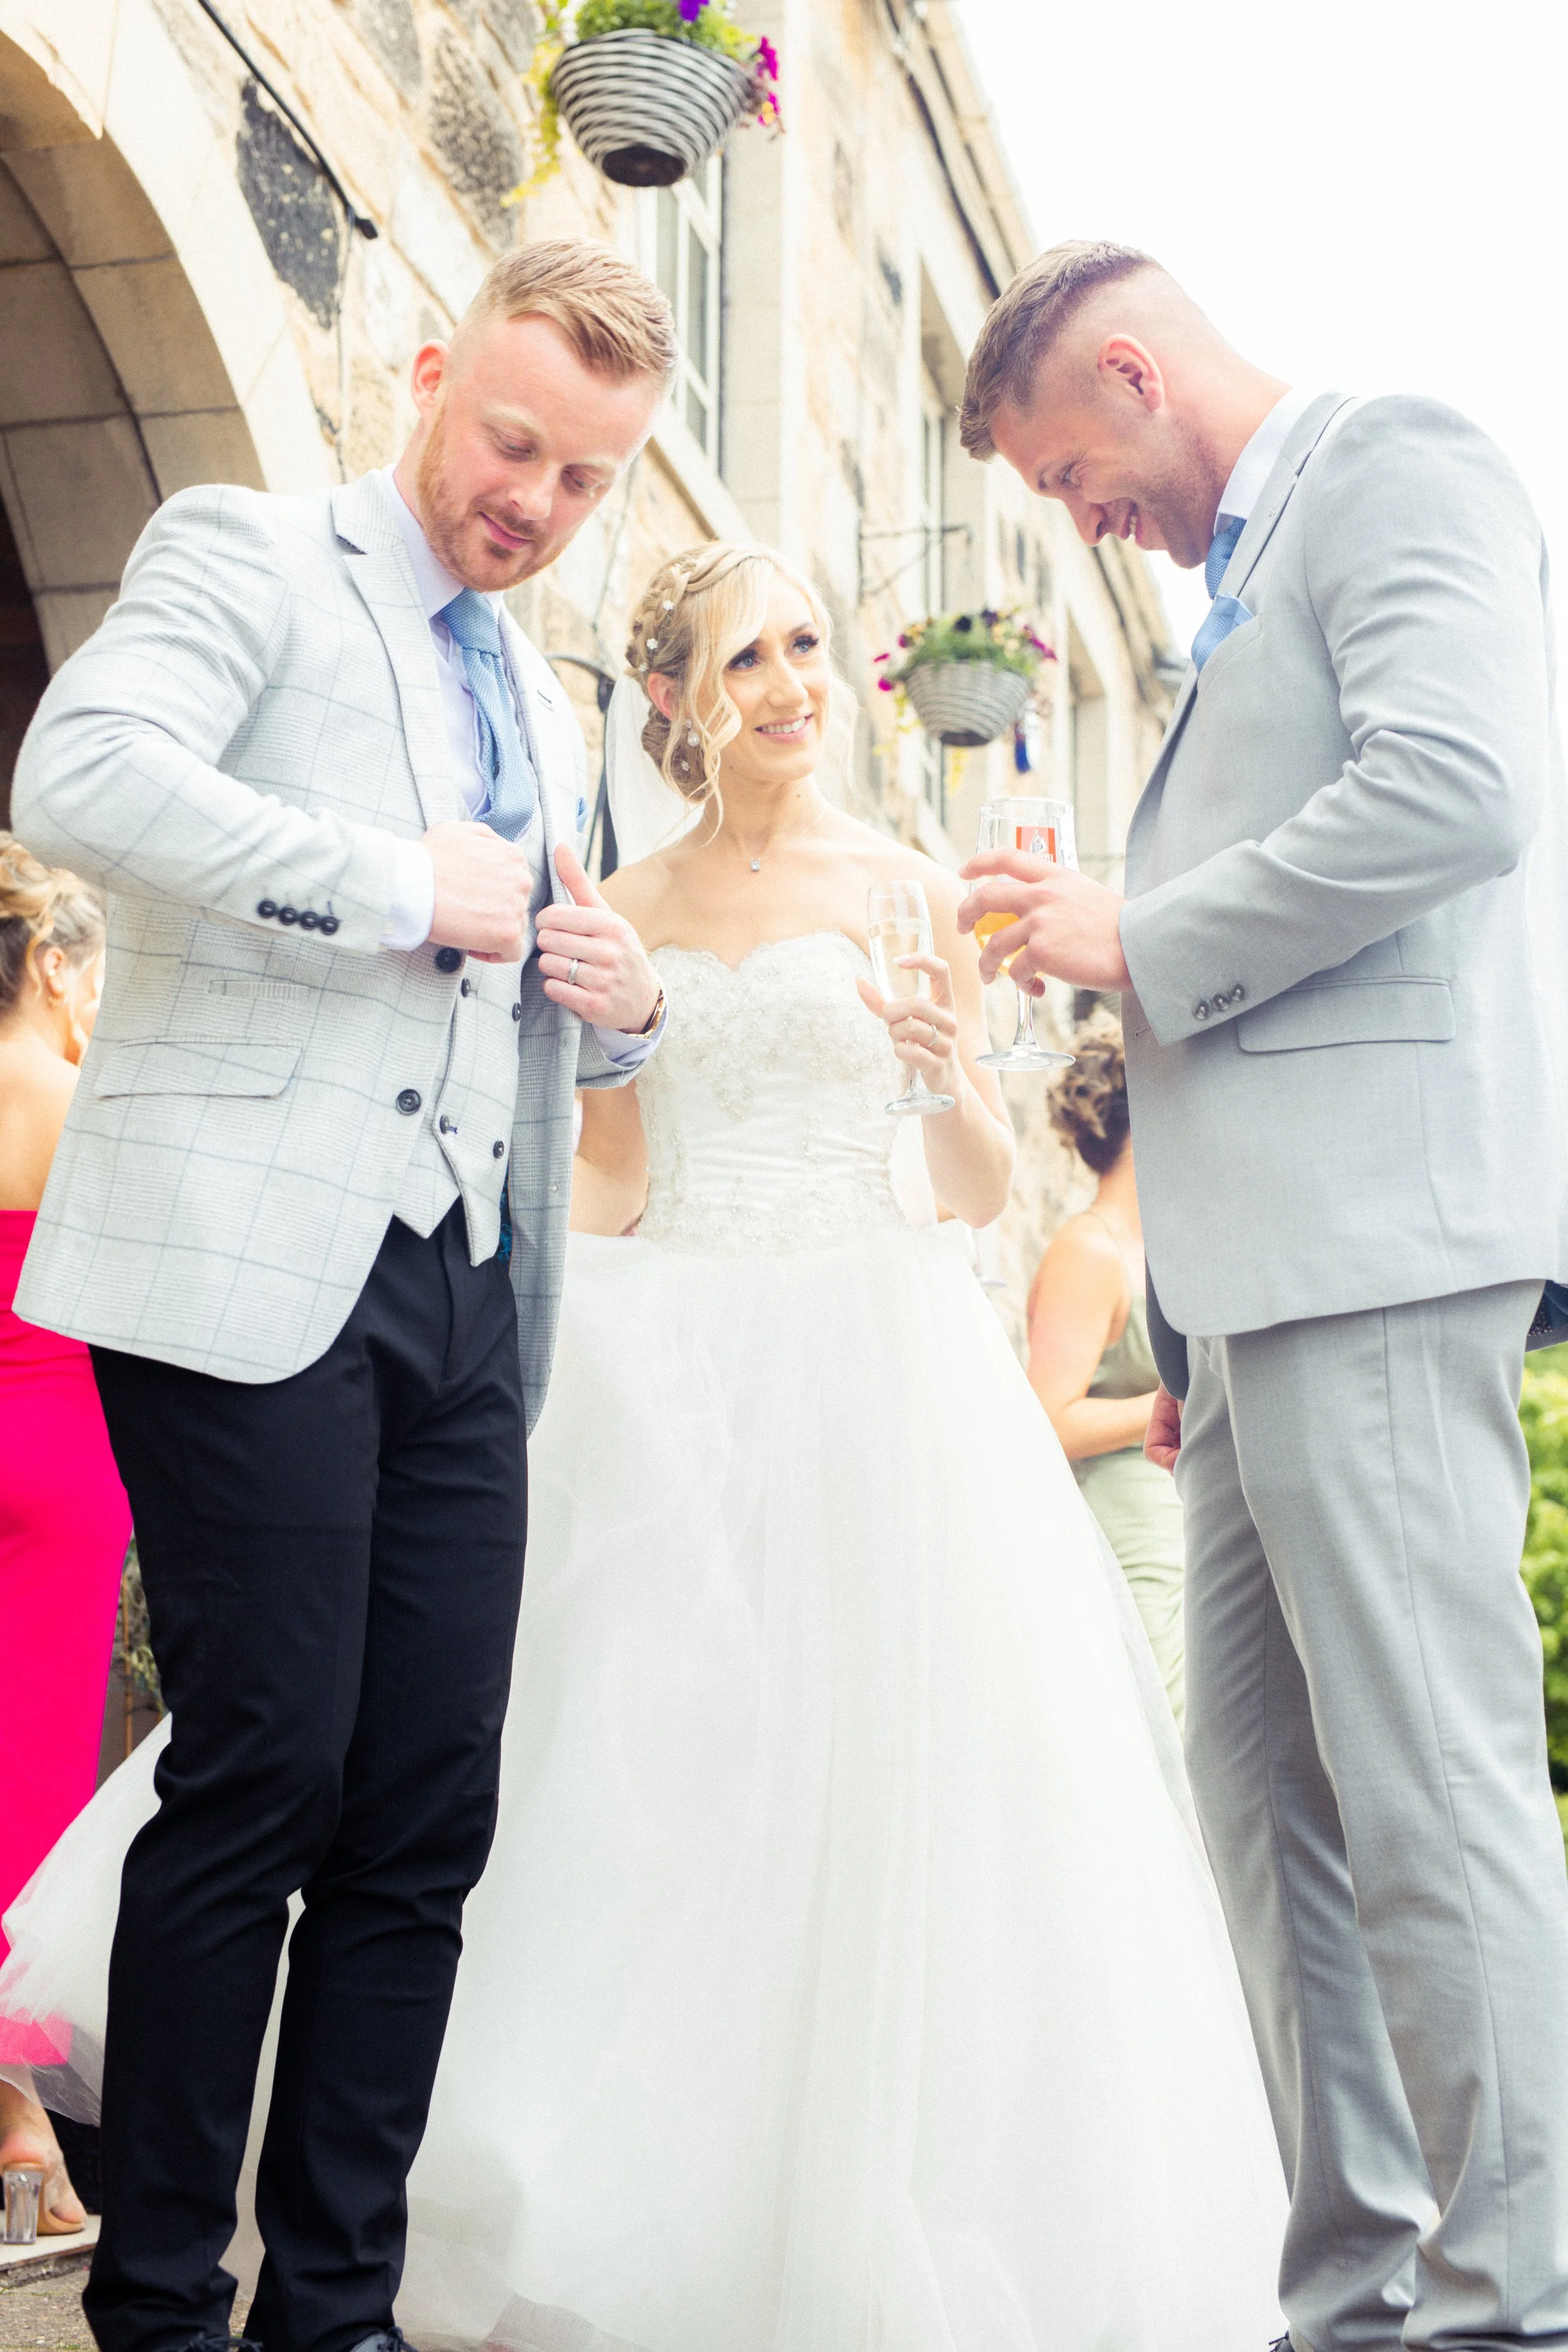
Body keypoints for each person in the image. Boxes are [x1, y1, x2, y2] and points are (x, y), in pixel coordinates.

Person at [3, 539, 1288, 2350]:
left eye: (806, 643)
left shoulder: (915, 890)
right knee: (633, 1776)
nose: (787, 680)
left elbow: (975, 1194)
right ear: (676, 696)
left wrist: (936, 1067)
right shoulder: (623, 900)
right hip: (669, 1354)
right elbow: (606, 1169)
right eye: (740, 653)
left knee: (879, 1792)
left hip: (878, 1370)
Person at [6, 240, 676, 2352]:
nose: (536, 503)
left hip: (474, 1285)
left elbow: (541, 980)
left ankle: (339, 2314)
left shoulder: (553, 702)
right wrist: (393, 883)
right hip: (244, 1260)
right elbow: (76, 782)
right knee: (265, 1768)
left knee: (424, 1812)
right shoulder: (248, 556)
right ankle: (164, 2306)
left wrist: (630, 1007)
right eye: (513, 444)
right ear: (424, 377)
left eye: (587, 481)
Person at [955, 238, 1568, 2352]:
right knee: (1270, 1815)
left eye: (1069, 471)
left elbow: (1464, 787)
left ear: (1136, 368)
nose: (1078, 521)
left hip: (1377, 1249)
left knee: (1429, 1791)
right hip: (1244, 1300)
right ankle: (1361, 2298)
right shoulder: (1238, 586)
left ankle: (1521, 2306)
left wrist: (1145, 928)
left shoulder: (1404, 466)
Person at [0, 832, 127, 2235]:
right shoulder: (77, 1094)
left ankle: (19, 2127)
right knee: (33, 1793)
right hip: (64, 1455)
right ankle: (26, 2134)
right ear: (46, 963)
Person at [1028, 1020, 1184, 1720]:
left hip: (1190, 1515)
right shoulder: (1088, 1250)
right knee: (1161, 1714)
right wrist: (1183, 1397)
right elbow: (1045, 1422)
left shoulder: (1167, 1247)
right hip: (1132, 1524)